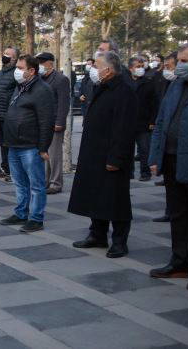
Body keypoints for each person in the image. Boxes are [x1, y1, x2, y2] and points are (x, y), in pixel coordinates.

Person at [68, 51, 137, 258]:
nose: (93, 70)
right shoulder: (101, 87)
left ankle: (119, 242)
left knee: (116, 200)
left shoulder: (124, 91)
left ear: (108, 69)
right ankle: (97, 234)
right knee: (95, 196)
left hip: (112, 156)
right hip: (94, 153)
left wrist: (116, 158)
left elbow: (124, 129)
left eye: (97, 66)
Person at [148, 42, 188, 291]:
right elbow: (161, 121)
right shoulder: (176, 85)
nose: (179, 65)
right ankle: (179, 263)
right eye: (179, 60)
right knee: (178, 215)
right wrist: (155, 155)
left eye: (185, 61)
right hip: (171, 159)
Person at [0, 55, 55, 232]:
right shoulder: (20, 87)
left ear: (31, 71)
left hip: (30, 146)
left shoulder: (42, 90)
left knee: (36, 185)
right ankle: (21, 212)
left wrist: (43, 147)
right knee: (20, 183)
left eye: (20, 68)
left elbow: (46, 121)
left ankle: (36, 218)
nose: (17, 71)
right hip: (14, 144)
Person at [36, 52, 70, 195]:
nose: (39, 65)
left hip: (55, 123)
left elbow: (64, 103)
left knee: (54, 155)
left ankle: (56, 183)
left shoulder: (61, 79)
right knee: (44, 154)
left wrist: (60, 122)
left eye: (42, 63)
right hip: (42, 122)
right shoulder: (39, 78)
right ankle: (46, 181)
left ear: (50, 63)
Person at [152, 51, 178, 208]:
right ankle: (170, 212)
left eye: (169, 66)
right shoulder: (170, 85)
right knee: (172, 190)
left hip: (183, 152)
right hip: (168, 150)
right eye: (165, 66)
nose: (166, 70)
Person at [0, 46, 19, 181]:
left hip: (8, 115)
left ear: (15, 59)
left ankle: (13, 171)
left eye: (8, 54)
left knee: (10, 143)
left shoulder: (16, 73)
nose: (5, 55)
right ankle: (5, 168)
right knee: (2, 143)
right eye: (5, 53)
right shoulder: (1, 72)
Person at [128, 56, 158, 182]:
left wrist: (152, 121)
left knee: (144, 149)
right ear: (131, 68)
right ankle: (129, 172)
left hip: (144, 123)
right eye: (137, 66)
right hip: (128, 123)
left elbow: (154, 104)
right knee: (128, 150)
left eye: (141, 66)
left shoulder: (148, 83)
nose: (140, 69)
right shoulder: (125, 83)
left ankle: (145, 173)